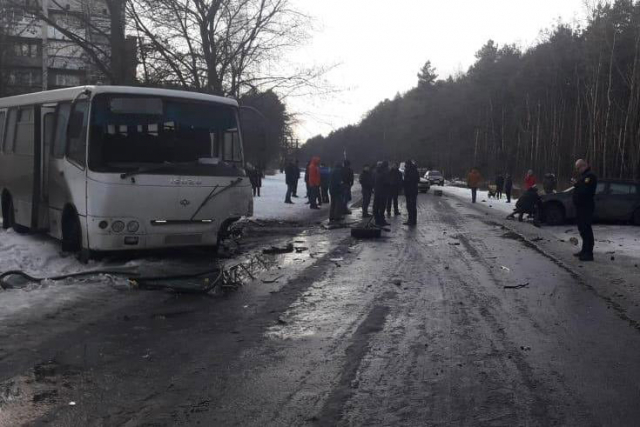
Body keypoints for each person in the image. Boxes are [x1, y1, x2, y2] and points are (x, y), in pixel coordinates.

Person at [573, 159, 597, 261]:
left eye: (579, 168)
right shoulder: (584, 176)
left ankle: (589, 253)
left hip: (586, 206)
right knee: (582, 229)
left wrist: (577, 184)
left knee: (586, 229)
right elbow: (581, 187)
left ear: (584, 165)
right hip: (581, 206)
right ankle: (584, 250)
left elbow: (586, 191)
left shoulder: (590, 176)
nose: (578, 170)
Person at [403, 160, 420, 226]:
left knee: (412, 206)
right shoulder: (407, 170)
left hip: (412, 191)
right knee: (409, 206)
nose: (405, 165)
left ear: (408, 164)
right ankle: (411, 220)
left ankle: (413, 221)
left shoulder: (413, 170)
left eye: (406, 164)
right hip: (408, 191)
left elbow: (417, 180)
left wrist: (407, 180)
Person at [373, 161, 390, 226]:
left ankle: (377, 220)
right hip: (383, 192)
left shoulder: (377, 171)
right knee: (382, 207)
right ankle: (381, 221)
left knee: (376, 207)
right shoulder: (385, 172)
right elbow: (387, 182)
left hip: (377, 192)